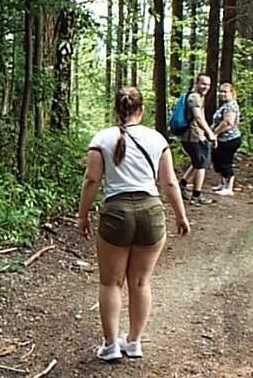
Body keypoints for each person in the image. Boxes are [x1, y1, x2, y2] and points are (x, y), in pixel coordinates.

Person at [76, 86, 192, 361]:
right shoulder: (157, 139)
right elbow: (169, 181)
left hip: (116, 212)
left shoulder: (102, 138)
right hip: (151, 211)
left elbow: (92, 180)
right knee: (140, 282)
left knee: (111, 283)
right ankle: (134, 342)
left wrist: (82, 215)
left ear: (117, 109)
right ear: (142, 110)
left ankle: (110, 345)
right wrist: (180, 214)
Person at [171, 72, 217, 203]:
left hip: (193, 136)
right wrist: (210, 134)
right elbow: (198, 118)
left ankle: (182, 185)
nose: (206, 87)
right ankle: (197, 195)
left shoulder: (193, 97)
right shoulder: (195, 98)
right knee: (201, 165)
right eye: (203, 84)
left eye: (208, 85)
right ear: (196, 83)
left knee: (197, 163)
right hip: (193, 137)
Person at [211, 81, 243, 196]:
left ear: (231, 93)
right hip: (221, 139)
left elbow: (228, 123)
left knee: (226, 162)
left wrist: (214, 133)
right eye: (221, 91)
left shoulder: (231, 105)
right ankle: (222, 184)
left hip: (230, 139)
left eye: (225, 92)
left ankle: (229, 188)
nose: (222, 94)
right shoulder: (224, 105)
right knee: (217, 161)